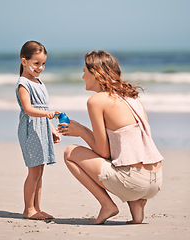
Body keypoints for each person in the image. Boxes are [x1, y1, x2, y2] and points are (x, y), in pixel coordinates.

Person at [58, 50, 163, 225]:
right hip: (155, 180)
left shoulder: (96, 100)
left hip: (134, 182)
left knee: (70, 152)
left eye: (85, 71)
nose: (82, 76)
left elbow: (104, 152)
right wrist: (81, 127)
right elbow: (125, 148)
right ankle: (137, 209)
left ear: (96, 73)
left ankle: (107, 205)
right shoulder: (132, 97)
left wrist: (81, 133)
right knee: (126, 157)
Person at [16, 41, 61, 220]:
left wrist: (50, 128)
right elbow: (28, 109)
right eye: (36, 63)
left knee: (40, 172)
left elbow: (41, 107)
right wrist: (48, 114)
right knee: (33, 172)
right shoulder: (23, 84)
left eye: (43, 64)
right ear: (24, 61)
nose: (40, 67)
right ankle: (29, 210)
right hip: (31, 130)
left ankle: (37, 208)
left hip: (41, 128)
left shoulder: (39, 82)